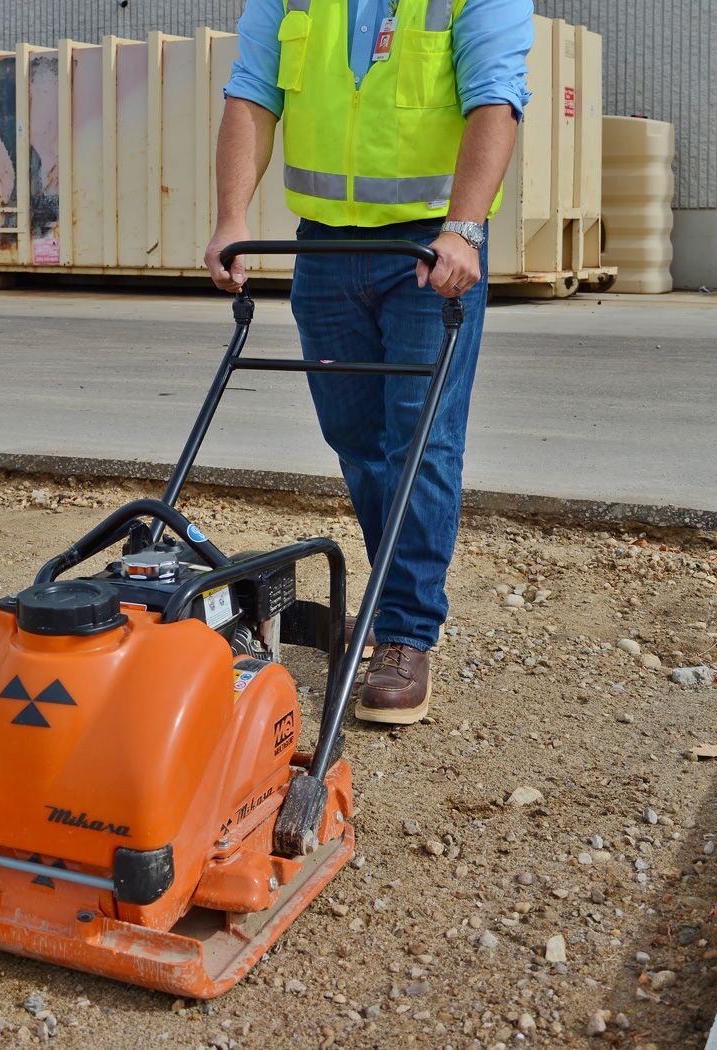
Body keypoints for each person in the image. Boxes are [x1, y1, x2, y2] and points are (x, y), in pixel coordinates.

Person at [205, 0, 533, 725]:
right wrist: (232, 217)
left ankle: (408, 634)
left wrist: (465, 229)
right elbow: (253, 93)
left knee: (419, 442)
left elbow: (495, 103)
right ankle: (390, 603)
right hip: (321, 250)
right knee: (356, 439)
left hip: (425, 254)